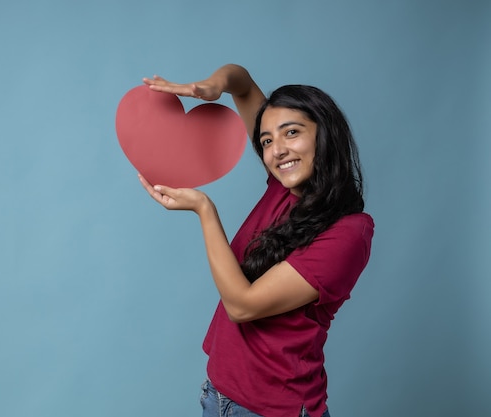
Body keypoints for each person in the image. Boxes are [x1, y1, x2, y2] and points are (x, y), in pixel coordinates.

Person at [139, 64, 374, 417]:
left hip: (272, 409)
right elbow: (243, 84)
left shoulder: (349, 232)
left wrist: (204, 210)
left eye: (291, 132)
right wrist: (211, 87)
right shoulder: (285, 187)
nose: (277, 150)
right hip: (218, 395)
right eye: (266, 141)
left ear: (325, 135)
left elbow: (243, 306)